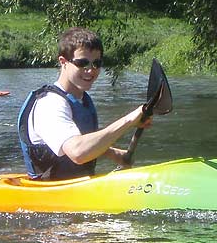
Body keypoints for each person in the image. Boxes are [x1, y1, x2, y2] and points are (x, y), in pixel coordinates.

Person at [18, 26, 151, 180]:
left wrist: (113, 153)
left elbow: (80, 138)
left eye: (96, 63)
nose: (90, 70)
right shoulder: (49, 104)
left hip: (78, 186)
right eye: (82, 63)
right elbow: (78, 153)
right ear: (63, 62)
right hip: (51, 194)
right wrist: (129, 120)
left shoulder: (82, 100)